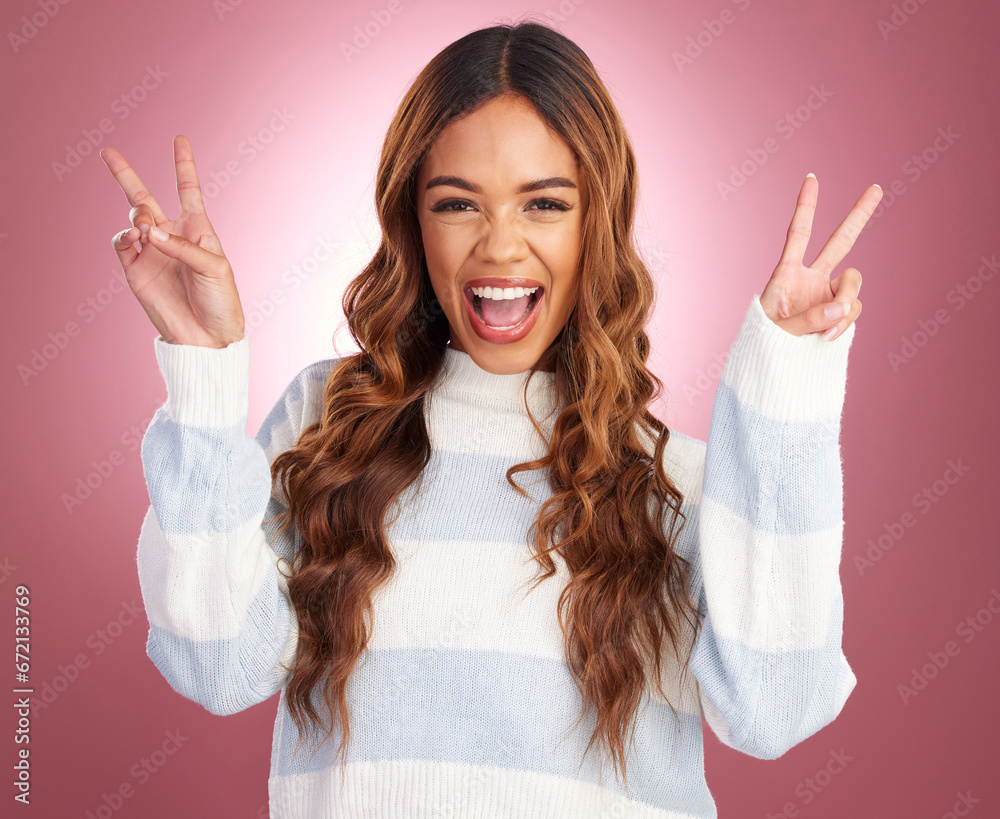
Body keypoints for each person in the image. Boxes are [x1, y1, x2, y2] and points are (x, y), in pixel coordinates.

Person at [101, 21, 881, 819]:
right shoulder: (327, 422)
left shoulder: (675, 480)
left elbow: (774, 710)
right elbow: (216, 665)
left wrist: (784, 387)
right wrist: (202, 371)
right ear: (414, 222)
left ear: (595, 224)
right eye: (457, 203)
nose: (500, 246)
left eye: (544, 203)